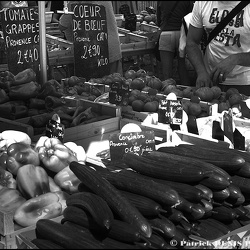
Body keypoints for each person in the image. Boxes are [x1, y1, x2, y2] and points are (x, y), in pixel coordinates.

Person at [186, 1, 250, 95]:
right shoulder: (202, 3)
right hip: (210, 81)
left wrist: (235, 59)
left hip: (243, 83)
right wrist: (201, 71)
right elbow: (191, 42)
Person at [57, 1, 123, 76]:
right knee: (115, 84)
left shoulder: (75, 2)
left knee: (93, 85)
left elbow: (62, 25)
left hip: (91, 53)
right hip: (112, 49)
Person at [156, 1, 194, 85]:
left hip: (166, 34)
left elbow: (158, 20)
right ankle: (186, 92)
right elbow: (191, 18)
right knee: (182, 67)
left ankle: (168, 93)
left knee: (166, 71)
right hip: (182, 34)